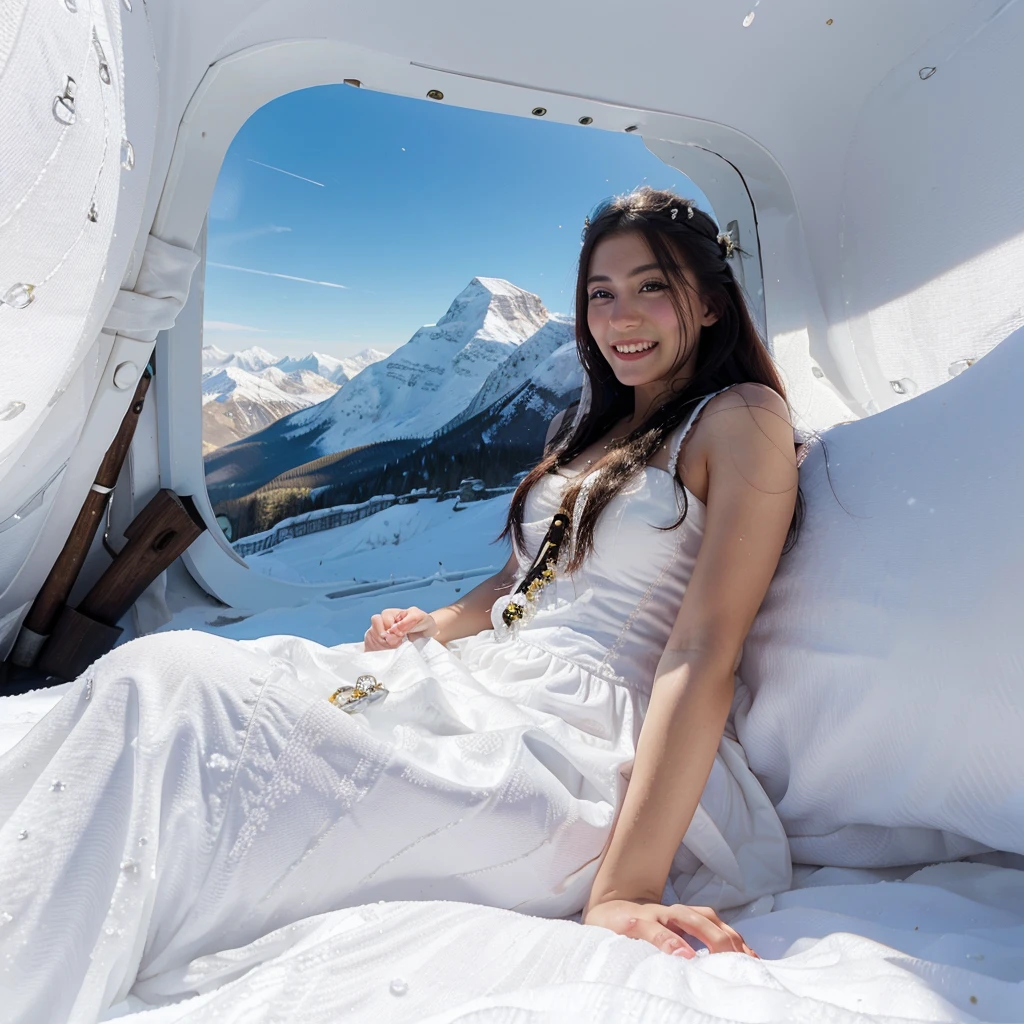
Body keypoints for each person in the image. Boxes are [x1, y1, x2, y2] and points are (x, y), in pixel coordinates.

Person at [0, 188, 799, 1022]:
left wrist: (627, 886)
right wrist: (435, 626)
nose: (619, 315)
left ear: (709, 302)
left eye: (652, 286)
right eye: (601, 292)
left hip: (583, 744)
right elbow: (519, 585)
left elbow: (702, 651)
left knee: (182, 691)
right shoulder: (593, 426)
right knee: (148, 685)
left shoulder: (740, 418)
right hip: (495, 677)